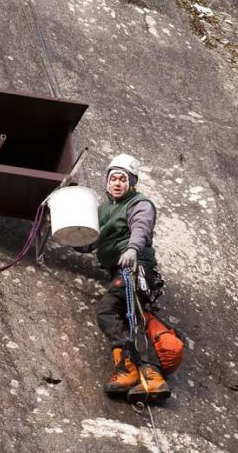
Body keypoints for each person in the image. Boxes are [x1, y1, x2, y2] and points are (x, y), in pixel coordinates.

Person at [79, 153, 170, 403]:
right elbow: (89, 241)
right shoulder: (104, 209)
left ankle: (132, 369)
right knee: (133, 318)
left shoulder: (139, 203)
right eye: (113, 179)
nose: (117, 183)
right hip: (119, 271)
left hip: (135, 266)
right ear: (107, 182)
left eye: (122, 179)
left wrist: (132, 249)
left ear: (131, 182)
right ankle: (147, 375)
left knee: (109, 311)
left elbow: (141, 227)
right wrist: (69, 234)